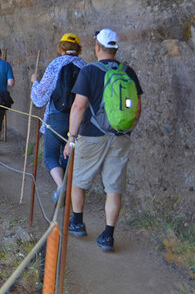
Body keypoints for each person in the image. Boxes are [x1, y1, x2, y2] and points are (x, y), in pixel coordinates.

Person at [63, 29, 143, 252]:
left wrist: (71, 138)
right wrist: (125, 129)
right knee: (113, 188)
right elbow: (137, 109)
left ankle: (77, 222)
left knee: (79, 180)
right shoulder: (129, 72)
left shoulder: (89, 71)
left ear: (97, 47)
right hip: (121, 138)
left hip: (91, 136)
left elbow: (78, 106)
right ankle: (108, 236)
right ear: (115, 49)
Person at [30, 33, 87, 203]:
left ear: (60, 47)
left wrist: (34, 82)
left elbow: (41, 96)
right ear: (78, 48)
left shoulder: (55, 65)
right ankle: (68, 190)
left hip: (56, 117)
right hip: (78, 120)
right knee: (69, 157)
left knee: (50, 156)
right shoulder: (85, 66)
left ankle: (61, 186)